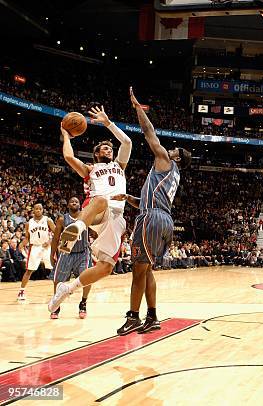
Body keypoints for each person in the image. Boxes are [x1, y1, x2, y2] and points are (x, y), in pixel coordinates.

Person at [114, 87, 191, 335]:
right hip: (162, 218)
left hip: (152, 219)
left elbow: (149, 134)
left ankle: (133, 316)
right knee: (146, 269)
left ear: (176, 159)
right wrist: (128, 198)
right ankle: (153, 317)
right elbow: (147, 201)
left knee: (138, 269)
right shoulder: (173, 175)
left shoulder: (165, 162)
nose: (170, 150)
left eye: (175, 151)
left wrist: (138, 107)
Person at [48, 103, 132, 313]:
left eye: (111, 148)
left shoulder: (119, 166)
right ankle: (76, 229)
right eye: (105, 148)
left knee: (106, 268)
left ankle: (68, 289)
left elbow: (127, 141)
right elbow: (68, 157)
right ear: (96, 154)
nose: (109, 149)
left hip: (115, 219)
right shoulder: (90, 169)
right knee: (102, 200)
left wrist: (108, 123)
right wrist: (65, 136)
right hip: (95, 211)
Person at [49, 197, 92, 319]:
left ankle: (83, 303)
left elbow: (95, 231)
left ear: (80, 205)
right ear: (68, 205)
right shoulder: (62, 219)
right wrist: (52, 254)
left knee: (87, 277)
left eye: (76, 201)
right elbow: (56, 238)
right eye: (72, 201)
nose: (74, 203)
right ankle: (56, 305)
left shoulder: (86, 217)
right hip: (66, 252)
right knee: (58, 280)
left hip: (83, 252)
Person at [18, 203, 55, 301]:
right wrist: (22, 244)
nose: (38, 210)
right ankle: (21, 291)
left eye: (40, 208)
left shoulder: (48, 220)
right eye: (36, 209)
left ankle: (59, 290)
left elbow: (56, 233)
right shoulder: (28, 223)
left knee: (53, 269)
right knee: (29, 270)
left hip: (47, 247)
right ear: (33, 210)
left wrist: (49, 241)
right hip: (34, 247)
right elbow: (27, 238)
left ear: (43, 210)